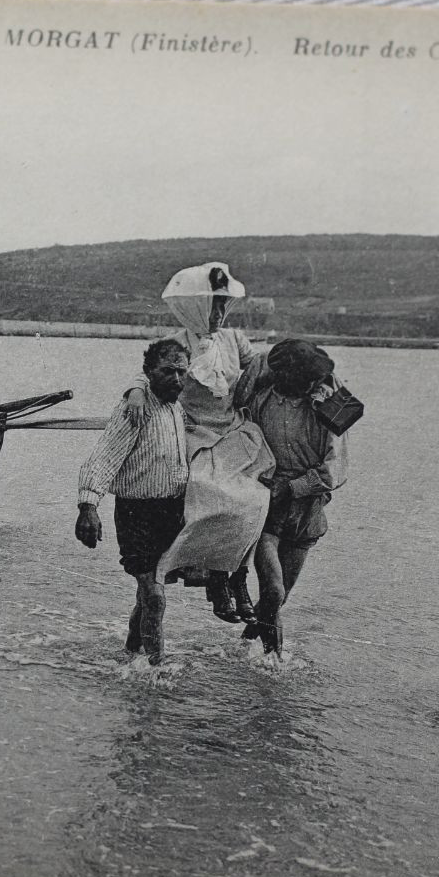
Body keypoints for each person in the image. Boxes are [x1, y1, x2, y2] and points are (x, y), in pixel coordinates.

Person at [122, 263, 267, 624]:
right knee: (204, 487)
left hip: (233, 431)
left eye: (222, 306)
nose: (219, 314)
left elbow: (259, 368)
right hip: (194, 431)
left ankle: (234, 577)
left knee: (257, 494)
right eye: (212, 307)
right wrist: (138, 391)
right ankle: (205, 575)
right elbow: (146, 373)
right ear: (195, 307)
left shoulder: (233, 340)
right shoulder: (178, 343)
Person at [76, 338, 191, 665]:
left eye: (182, 372)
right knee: (155, 597)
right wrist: (88, 506)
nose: (176, 380)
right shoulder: (134, 409)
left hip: (171, 512)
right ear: (148, 372)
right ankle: (157, 670)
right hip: (135, 513)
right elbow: (103, 458)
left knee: (148, 596)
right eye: (167, 371)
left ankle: (130, 653)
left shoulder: (177, 407)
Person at [231, 338, 346, 656]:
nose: (311, 382)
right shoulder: (260, 400)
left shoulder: (330, 405)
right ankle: (274, 664)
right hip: (267, 504)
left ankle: (244, 650)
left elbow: (335, 471)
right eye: (304, 377)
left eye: (314, 377)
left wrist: (294, 488)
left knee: (277, 599)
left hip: (306, 509)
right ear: (283, 376)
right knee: (273, 590)